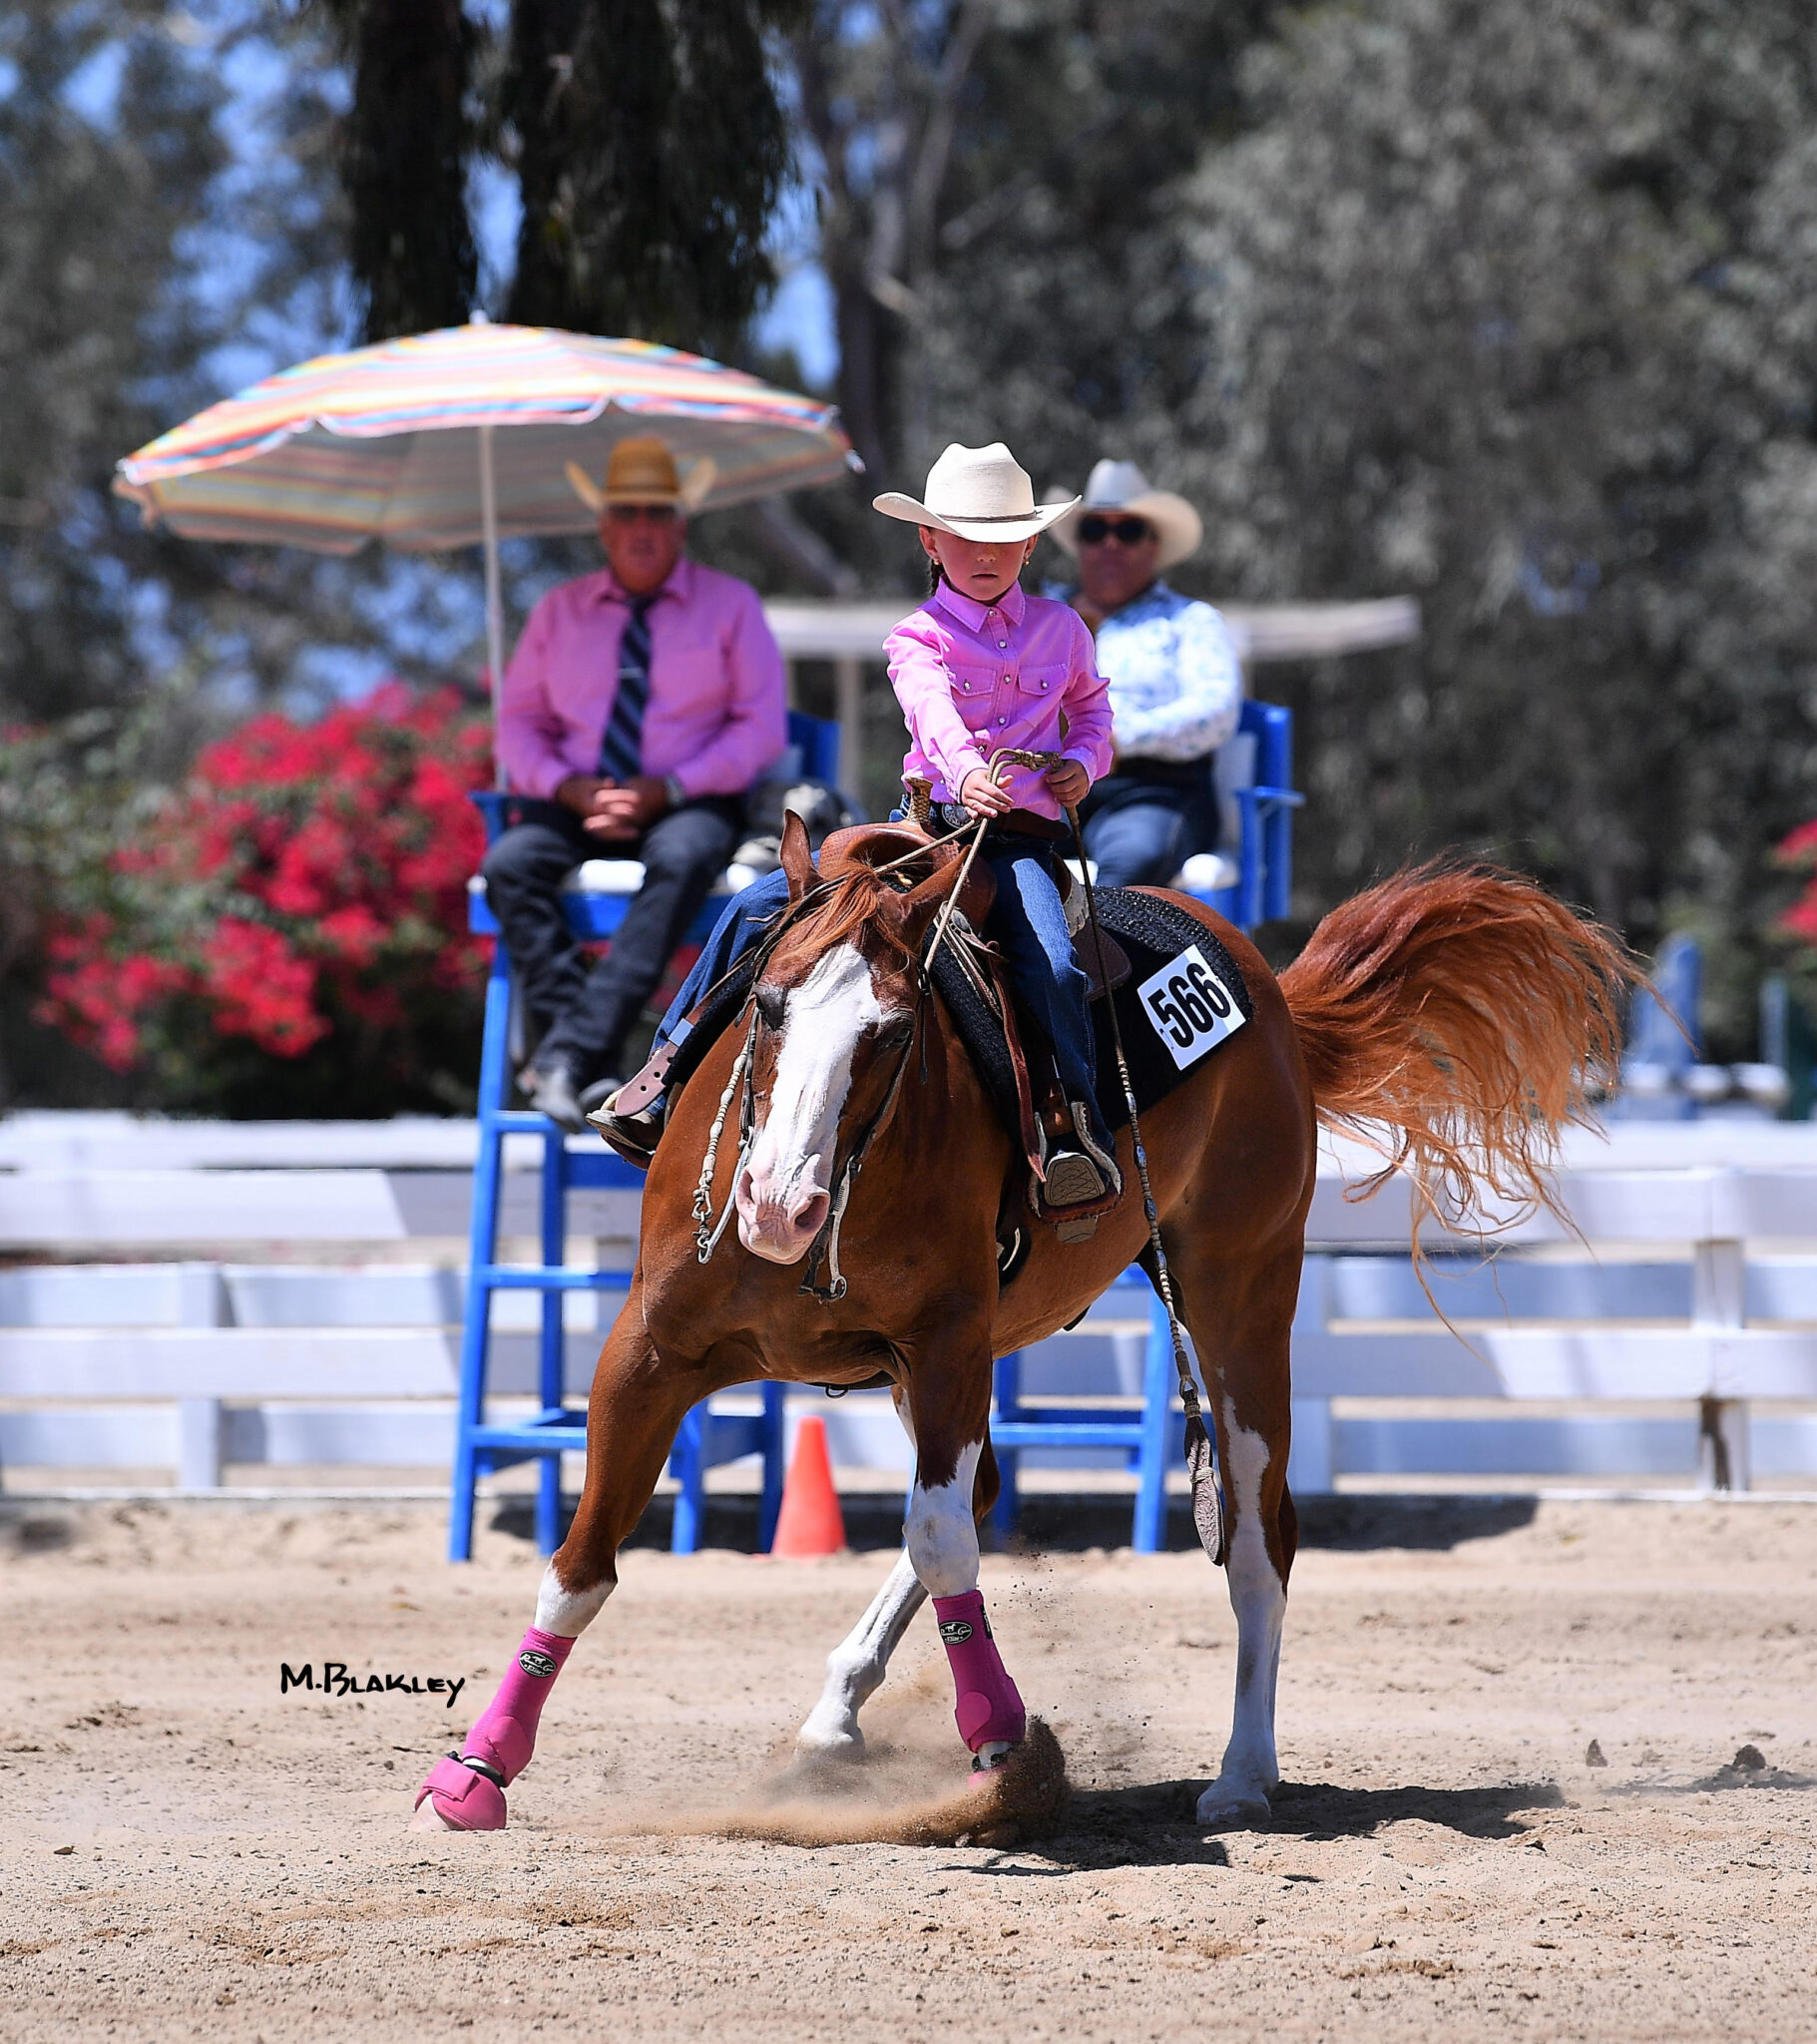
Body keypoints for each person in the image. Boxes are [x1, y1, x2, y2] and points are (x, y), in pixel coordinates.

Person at [600, 441, 1122, 1216]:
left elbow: (1093, 711)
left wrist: (1084, 759)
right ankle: (662, 1073)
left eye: (1003, 535)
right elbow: (931, 711)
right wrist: (966, 769)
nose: (984, 552)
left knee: (1051, 961)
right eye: (964, 535)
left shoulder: (1064, 629)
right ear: (929, 541)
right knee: (756, 906)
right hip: (929, 829)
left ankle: (1072, 1129)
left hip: (1019, 844)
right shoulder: (917, 636)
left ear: (1031, 543)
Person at [483, 435, 786, 1132]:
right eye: (628, 512)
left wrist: (669, 788)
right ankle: (581, 1051)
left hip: (686, 801)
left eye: (656, 512)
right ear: (605, 525)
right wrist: (568, 788)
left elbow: (759, 729)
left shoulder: (730, 605)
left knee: (681, 858)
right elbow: (519, 726)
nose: (642, 527)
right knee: (509, 865)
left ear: (679, 524)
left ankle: (566, 1057)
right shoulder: (559, 610)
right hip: (575, 798)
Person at [1047, 459, 1243, 888]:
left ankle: (1092, 958)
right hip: (1044, 789)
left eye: (1129, 530)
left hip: (1148, 792)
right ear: (1079, 544)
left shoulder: (1190, 621)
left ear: (1154, 544)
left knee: (1133, 860)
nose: (1110, 544)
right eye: (1095, 531)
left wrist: (1118, 739)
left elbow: (1216, 710)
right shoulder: (1039, 615)